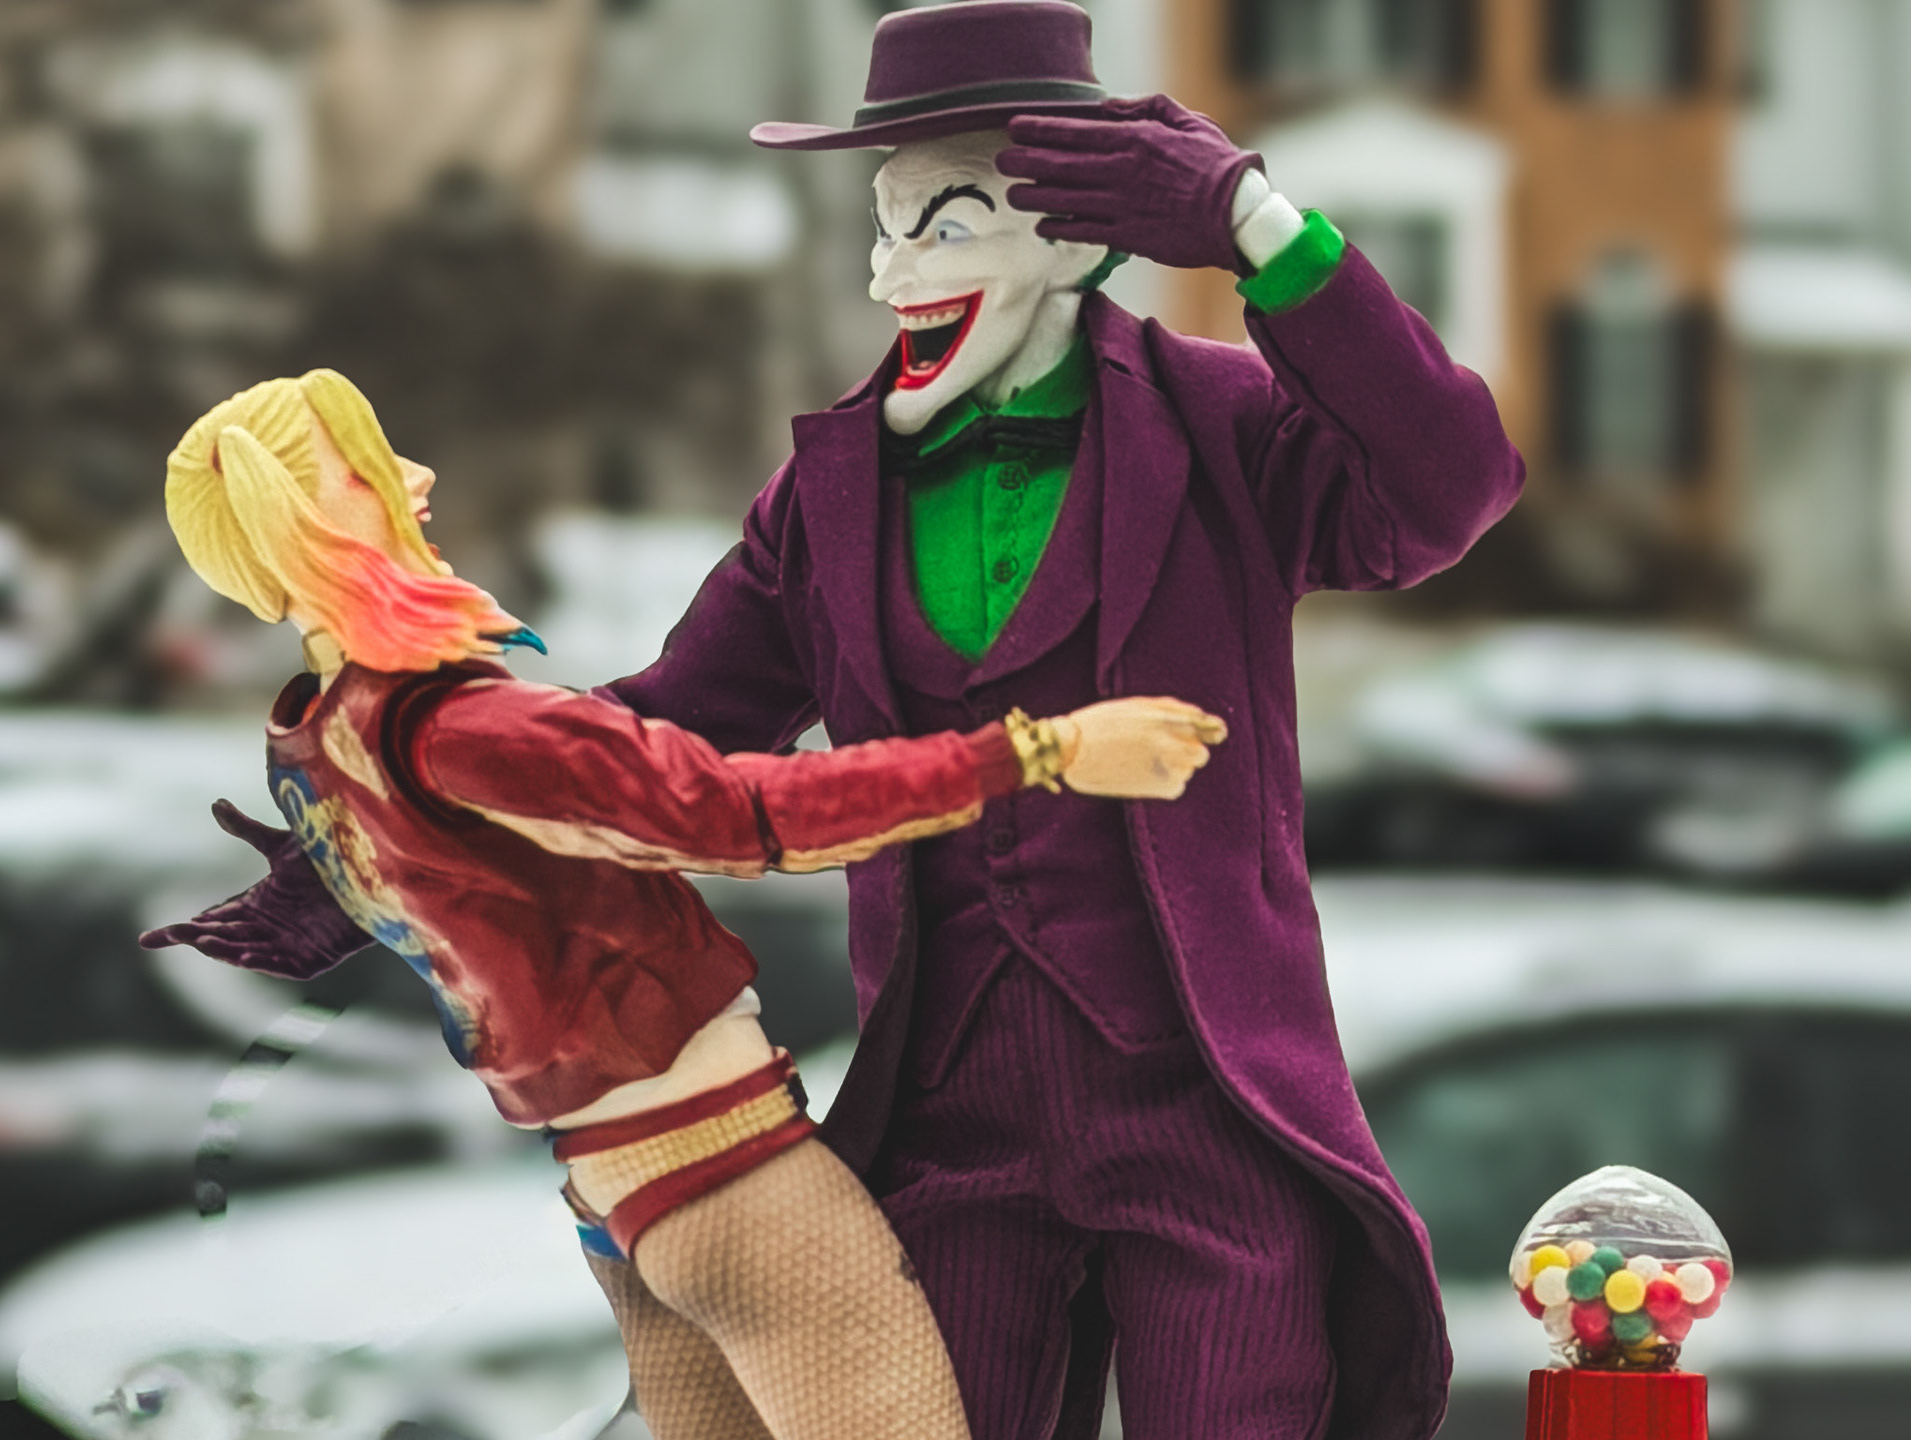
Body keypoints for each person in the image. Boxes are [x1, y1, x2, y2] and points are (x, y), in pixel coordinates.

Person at [156, 4, 1529, 1435]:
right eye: (883, 229)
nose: (894, 273)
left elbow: (1452, 488)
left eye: (946, 224)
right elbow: (672, 743)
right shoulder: (827, 498)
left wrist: (1258, 226)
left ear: (1076, 238)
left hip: (1207, 1109)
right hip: (953, 1121)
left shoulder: (1225, 428)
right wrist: (397, 796)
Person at [149, 367, 1224, 1440]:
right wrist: (1039, 751)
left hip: (623, 1205)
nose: (417, 478)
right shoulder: (458, 727)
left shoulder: (316, 738)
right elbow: (739, 813)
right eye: (368, 468)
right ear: (300, 520)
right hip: (731, 1181)